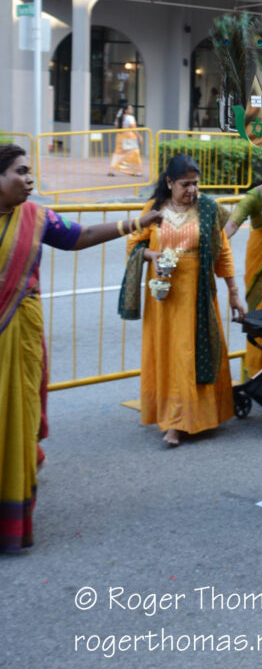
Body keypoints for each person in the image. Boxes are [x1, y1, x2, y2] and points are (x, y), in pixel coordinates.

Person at [0, 144, 162, 553]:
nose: (31, 179)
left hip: (19, 335)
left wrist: (136, 223)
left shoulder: (34, 218)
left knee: (15, 419)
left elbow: (81, 236)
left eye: (30, 171)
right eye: (21, 171)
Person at [120, 154, 246, 447]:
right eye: (185, 184)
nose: (192, 190)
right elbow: (134, 246)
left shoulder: (207, 209)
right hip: (164, 297)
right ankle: (174, 421)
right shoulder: (153, 210)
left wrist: (234, 293)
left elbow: (223, 251)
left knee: (192, 353)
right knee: (171, 356)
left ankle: (198, 416)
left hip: (198, 295)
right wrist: (154, 256)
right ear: (169, 182)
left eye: (195, 184)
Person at [224, 153, 262, 377]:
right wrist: (217, 243)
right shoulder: (253, 198)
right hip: (259, 268)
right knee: (261, 320)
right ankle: (256, 374)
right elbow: (231, 225)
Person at [108, 104, 142, 177]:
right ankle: (136, 171)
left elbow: (116, 127)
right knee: (134, 153)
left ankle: (112, 171)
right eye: (130, 109)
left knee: (117, 153)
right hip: (129, 137)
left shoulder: (119, 116)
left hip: (120, 137)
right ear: (126, 110)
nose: (132, 110)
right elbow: (133, 129)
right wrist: (139, 136)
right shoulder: (130, 118)